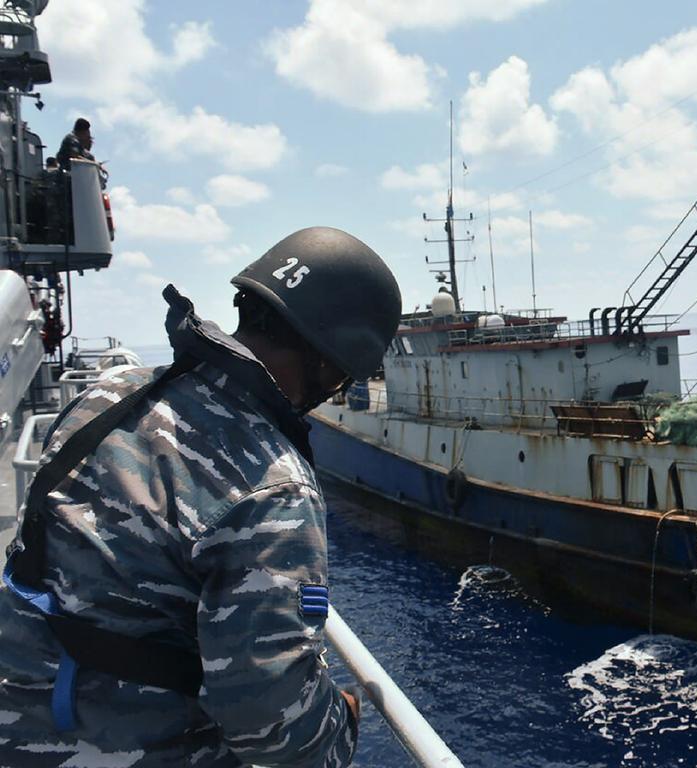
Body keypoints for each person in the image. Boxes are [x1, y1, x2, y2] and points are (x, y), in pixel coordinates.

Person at [0, 227, 402, 767]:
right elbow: (269, 720)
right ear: (329, 363)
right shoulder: (273, 484)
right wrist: (341, 724)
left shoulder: (109, 393)